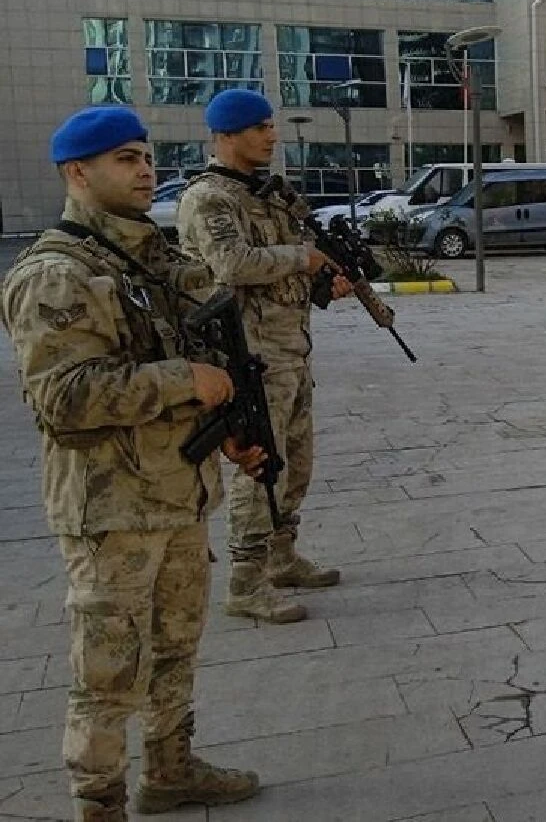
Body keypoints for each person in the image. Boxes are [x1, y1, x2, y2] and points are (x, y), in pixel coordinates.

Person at [0, 106, 262, 821]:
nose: (145, 169)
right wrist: (183, 381)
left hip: (178, 491)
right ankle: (99, 805)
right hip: (110, 510)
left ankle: (171, 770)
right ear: (76, 172)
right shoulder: (56, 274)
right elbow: (63, 396)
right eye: (124, 158)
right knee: (109, 673)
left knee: (177, 646)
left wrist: (224, 428)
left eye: (146, 156)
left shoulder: (150, 259)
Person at [177, 89, 350, 625]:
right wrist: (302, 257)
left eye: (272, 126)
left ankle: (281, 557)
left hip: (289, 350)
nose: (271, 135)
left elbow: (286, 267)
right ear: (226, 135)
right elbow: (230, 264)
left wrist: (322, 277)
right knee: (261, 469)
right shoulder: (209, 198)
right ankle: (245, 584)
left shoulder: (267, 194)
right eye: (259, 127)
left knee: (296, 463)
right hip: (247, 356)